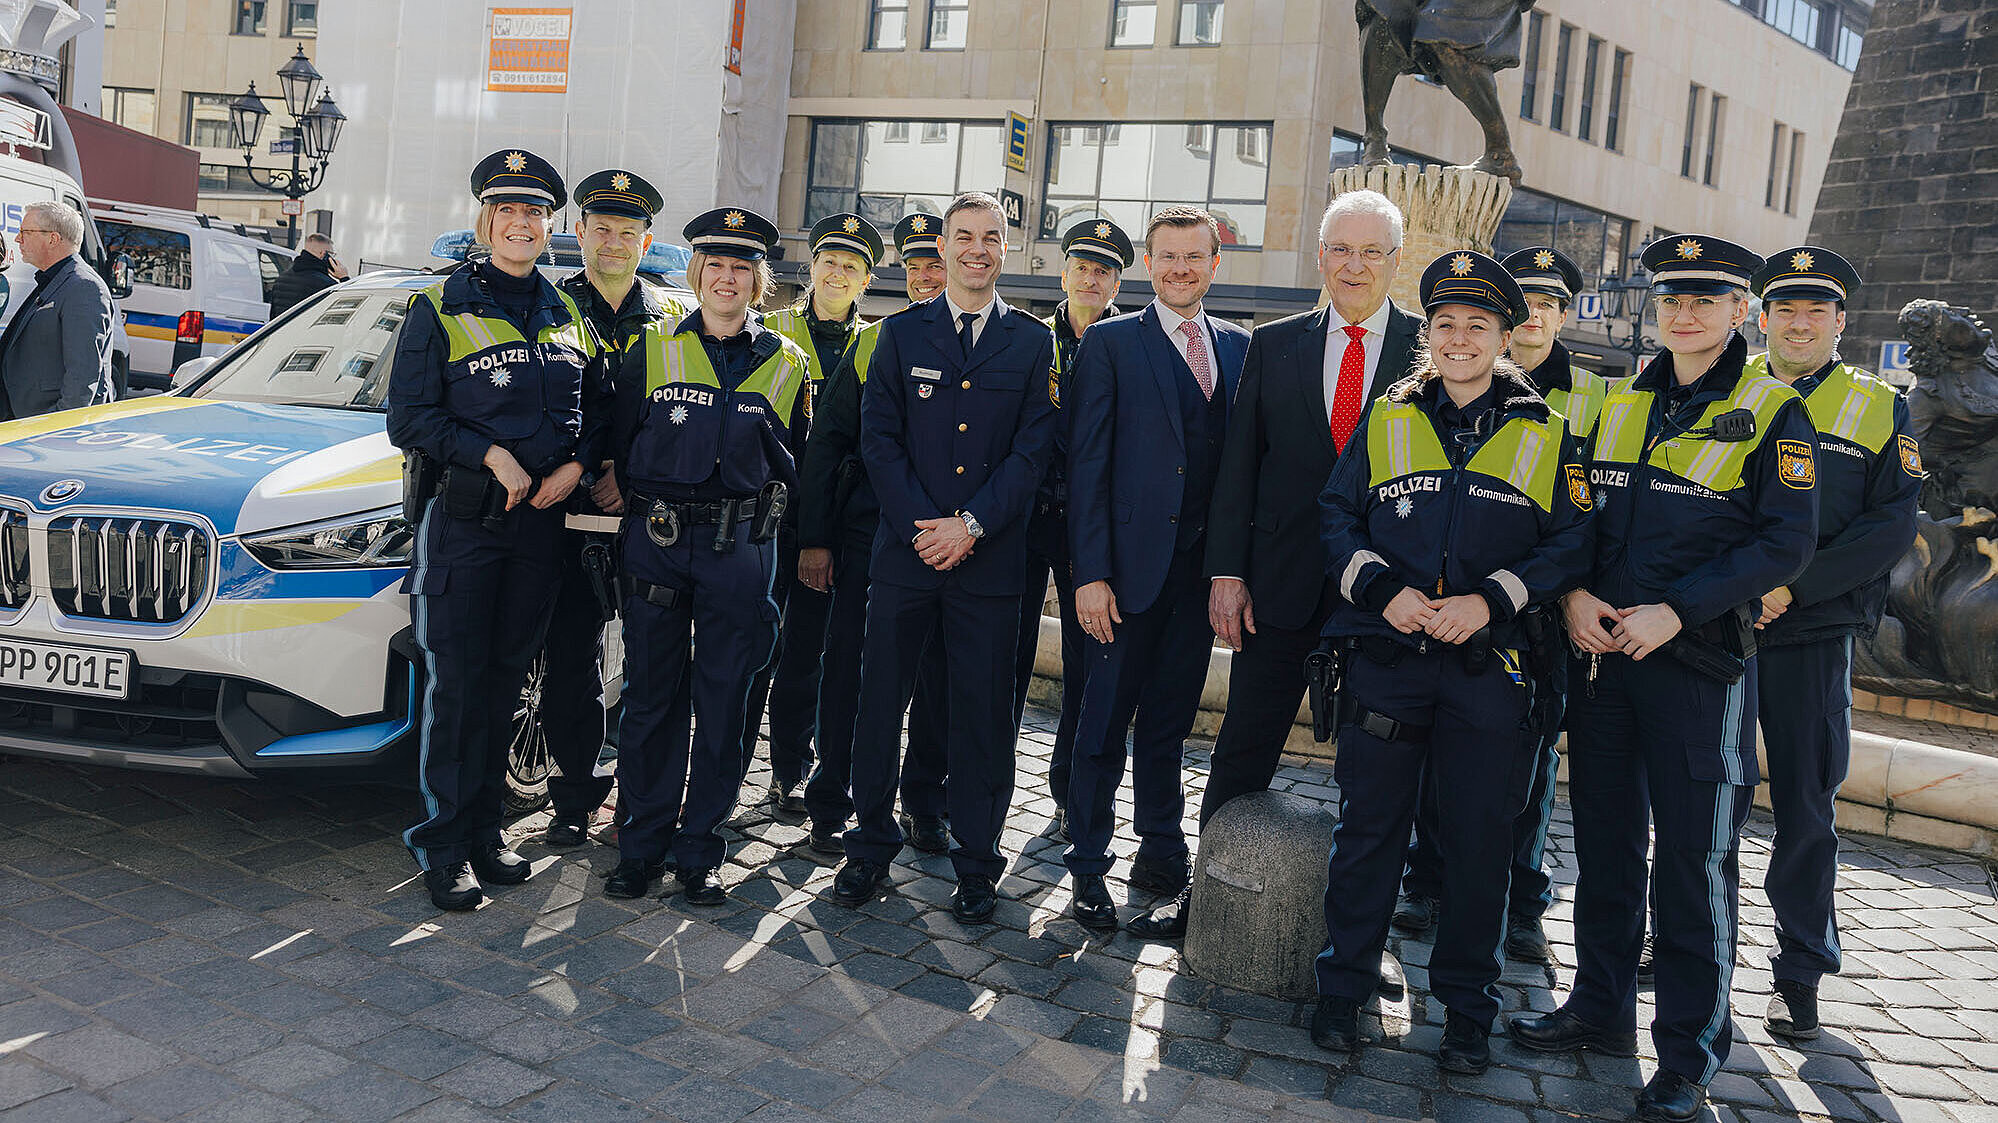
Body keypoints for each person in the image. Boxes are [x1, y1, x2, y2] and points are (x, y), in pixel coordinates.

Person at [1513, 236, 1819, 1123]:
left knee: (1693, 866)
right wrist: (1571, 593)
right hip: (1606, 662)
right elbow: (1575, 513)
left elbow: (1784, 543)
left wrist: (1676, 609)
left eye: (1705, 299)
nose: (1683, 314)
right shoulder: (1615, 401)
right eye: (1670, 299)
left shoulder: (1771, 410)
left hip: (1700, 671)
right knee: (1606, 851)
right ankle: (1600, 1010)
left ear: (1740, 312)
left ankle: (1689, 1055)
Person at [1308, 250, 1591, 1073]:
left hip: (1489, 670)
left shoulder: (1545, 429)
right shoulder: (1389, 416)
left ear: (1505, 336)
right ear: (1426, 334)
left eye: (1478, 326)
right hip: (1389, 655)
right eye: (1445, 325)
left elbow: (1574, 542)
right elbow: (1335, 517)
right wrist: (1381, 590)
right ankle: (1343, 988)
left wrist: (1493, 599)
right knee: (1367, 836)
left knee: (1478, 850)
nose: (1460, 339)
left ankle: (1468, 1011)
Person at [1132, 191, 1419, 939]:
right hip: (1277, 588)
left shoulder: (1427, 350)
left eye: (1370, 252)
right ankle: (1205, 904)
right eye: (1340, 250)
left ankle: (1359, 939)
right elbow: (1239, 468)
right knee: (1240, 751)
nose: (1353, 266)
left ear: (1396, 261)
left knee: (1378, 777)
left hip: (1384, 601)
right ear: (1320, 256)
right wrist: (1226, 571)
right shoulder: (1276, 342)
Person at [386, 150, 609, 911]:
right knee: (458, 689)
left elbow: (594, 413)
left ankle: (486, 832)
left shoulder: (566, 311)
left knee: (510, 682)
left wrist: (576, 465)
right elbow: (409, 417)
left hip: (540, 532)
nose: (522, 222)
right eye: (508, 210)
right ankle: (443, 845)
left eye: (535, 212)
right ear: (485, 221)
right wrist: (491, 456)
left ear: (551, 228)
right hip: (467, 525)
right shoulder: (437, 306)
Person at [828, 192, 1057, 923]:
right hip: (905, 555)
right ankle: (867, 844)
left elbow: (1033, 451)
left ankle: (977, 863)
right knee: (879, 705)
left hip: (987, 565)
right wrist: (925, 526)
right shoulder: (898, 335)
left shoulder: (1030, 342)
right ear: (942, 250)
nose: (977, 250)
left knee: (982, 718)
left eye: (992, 237)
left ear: (1005, 249)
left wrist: (971, 525)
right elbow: (879, 440)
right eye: (965, 237)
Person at [1394, 245, 1606, 959]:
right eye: (1530, 298)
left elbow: (1587, 522)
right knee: (1429, 759)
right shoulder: (1427, 395)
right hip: (1440, 616)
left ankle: (1522, 897)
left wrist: (1566, 593)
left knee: (1531, 769)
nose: (1539, 311)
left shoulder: (1597, 395)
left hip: (1535, 617)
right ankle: (1426, 877)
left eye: (1549, 302)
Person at [605, 206, 812, 904]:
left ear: (758, 280)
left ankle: (700, 848)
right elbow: (617, 444)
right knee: (650, 699)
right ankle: (641, 846)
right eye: (715, 265)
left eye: (741, 267)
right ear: (697, 273)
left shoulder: (788, 362)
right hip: (659, 546)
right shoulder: (653, 347)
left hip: (744, 546)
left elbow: (799, 461)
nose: (727, 278)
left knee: (726, 704)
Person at [1746, 246, 1919, 1041]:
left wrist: (1791, 587)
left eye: (1817, 310)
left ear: (1842, 321)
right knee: (1691, 795)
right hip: (1719, 625)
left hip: (1812, 633)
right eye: (1786, 309)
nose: (1800, 322)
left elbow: (1890, 526)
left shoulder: (1881, 405)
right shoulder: (1731, 384)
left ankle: (1800, 969)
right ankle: (1673, 935)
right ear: (1763, 317)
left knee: (1807, 808)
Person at [1062, 207, 1249, 931]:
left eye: (1193, 256)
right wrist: (1089, 574)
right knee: (1101, 724)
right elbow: (1087, 467)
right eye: (1166, 256)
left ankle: (1161, 848)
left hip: (1197, 579)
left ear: (1214, 263)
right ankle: (1086, 866)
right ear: (1148, 262)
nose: (1179, 268)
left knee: (1170, 720)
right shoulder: (1111, 344)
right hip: (1123, 574)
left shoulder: (1239, 347)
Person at [537, 168, 690, 849]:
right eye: (602, 229)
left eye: (628, 232)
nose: (614, 242)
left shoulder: (671, 317)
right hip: (564, 520)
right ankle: (572, 796)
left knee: (653, 666)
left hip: (646, 519)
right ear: (580, 233)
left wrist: (626, 475)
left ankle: (637, 794)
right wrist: (594, 465)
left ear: (646, 240)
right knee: (570, 664)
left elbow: (679, 417)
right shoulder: (547, 307)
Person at [795, 214, 952, 856]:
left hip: (955, 545)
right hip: (868, 537)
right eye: (916, 265)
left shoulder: (999, 339)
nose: (927, 276)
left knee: (937, 681)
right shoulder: (876, 340)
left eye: (936, 263)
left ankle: (923, 801)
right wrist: (816, 538)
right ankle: (832, 798)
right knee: (850, 672)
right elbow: (828, 444)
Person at [741, 212, 883, 814]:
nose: (837, 273)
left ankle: (792, 771)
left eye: (851, 267)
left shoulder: (878, 341)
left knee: (814, 651)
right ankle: (729, 770)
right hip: (766, 518)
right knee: (754, 651)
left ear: (865, 281)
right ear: (812, 268)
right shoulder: (769, 331)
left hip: (839, 522)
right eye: (829, 261)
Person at [1020, 218, 1131, 843]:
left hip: (1091, 528)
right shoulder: (1027, 338)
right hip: (1024, 520)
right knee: (1003, 658)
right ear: (1062, 272)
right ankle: (979, 786)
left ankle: (1068, 793)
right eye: (1082, 267)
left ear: (1118, 281)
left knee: (1089, 670)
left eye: (1105, 271)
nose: (1092, 279)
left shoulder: (1128, 342)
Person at [0, 200, 115, 420]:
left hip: (45, 429)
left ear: (53, 239)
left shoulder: (84, 287)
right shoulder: (55, 280)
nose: (17, 239)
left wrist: (57, 430)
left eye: (25, 232)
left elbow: (83, 376)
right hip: (25, 421)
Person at [268, 232, 349, 316]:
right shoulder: (327, 284)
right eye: (331, 254)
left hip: (284, 329)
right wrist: (344, 278)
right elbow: (343, 310)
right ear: (323, 254)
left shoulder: (280, 279)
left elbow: (273, 316)